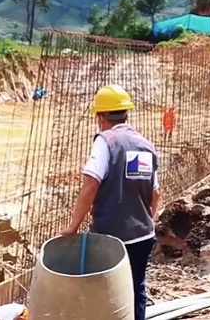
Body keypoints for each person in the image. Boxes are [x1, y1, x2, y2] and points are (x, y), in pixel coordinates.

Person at [59, 84, 161, 320]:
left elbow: (90, 185)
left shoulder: (106, 141)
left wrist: (73, 226)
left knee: (105, 293)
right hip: (143, 236)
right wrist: (146, 220)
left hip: (112, 239)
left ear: (100, 116)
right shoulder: (146, 145)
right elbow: (156, 193)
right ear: (126, 113)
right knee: (136, 290)